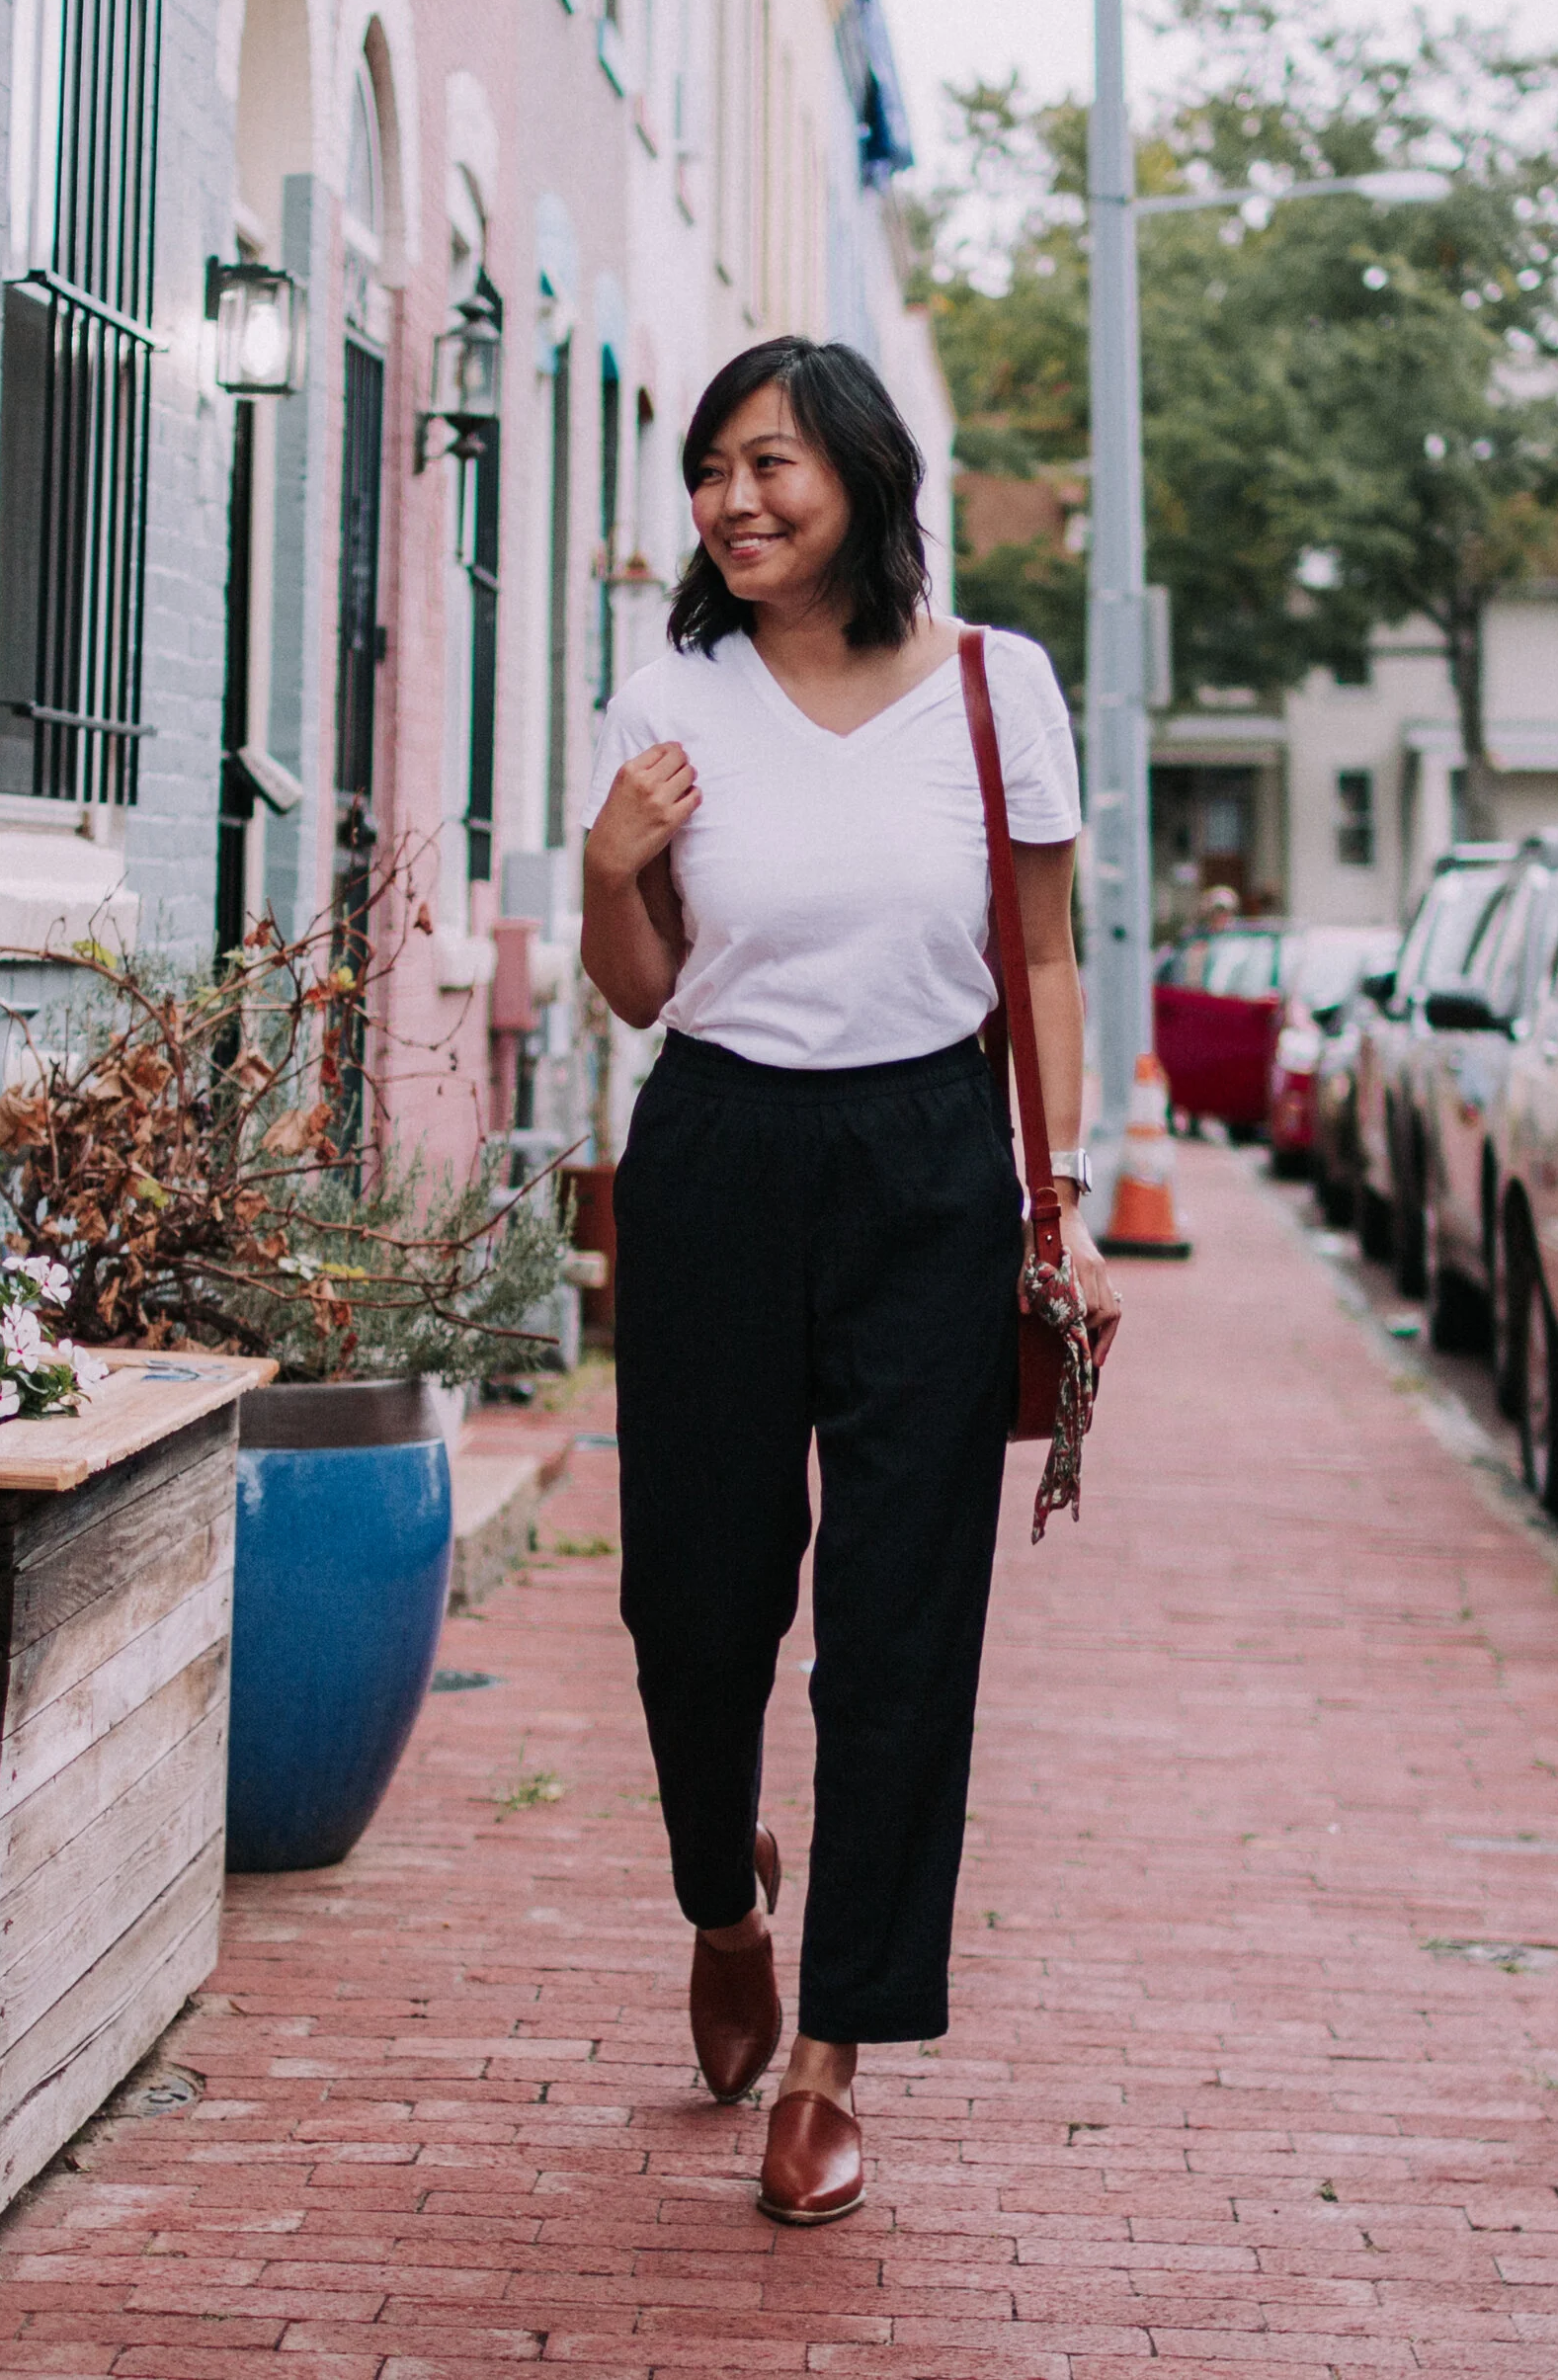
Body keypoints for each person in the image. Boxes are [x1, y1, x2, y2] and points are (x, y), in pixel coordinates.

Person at [580, 336, 1120, 2226]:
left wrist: (1064, 1197)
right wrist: (604, 866)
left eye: (773, 468)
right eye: (713, 471)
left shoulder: (995, 688)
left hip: (926, 1177)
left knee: (904, 1626)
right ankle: (725, 1900)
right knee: (694, 1599)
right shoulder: (669, 699)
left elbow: (1041, 961)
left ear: (867, 482)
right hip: (719, 1155)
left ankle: (834, 2050)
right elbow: (642, 990)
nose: (734, 503)